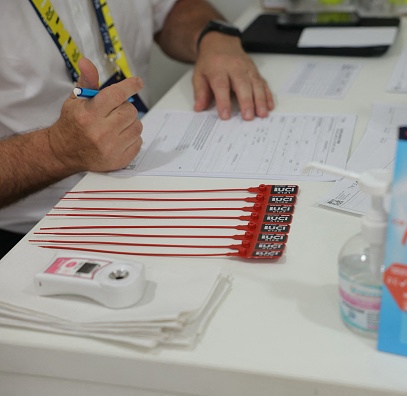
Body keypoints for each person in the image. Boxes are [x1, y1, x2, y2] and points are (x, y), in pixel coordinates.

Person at [0, 0, 275, 258]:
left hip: (150, 179)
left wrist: (213, 36)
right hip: (34, 231)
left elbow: (172, 8)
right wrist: (56, 150)